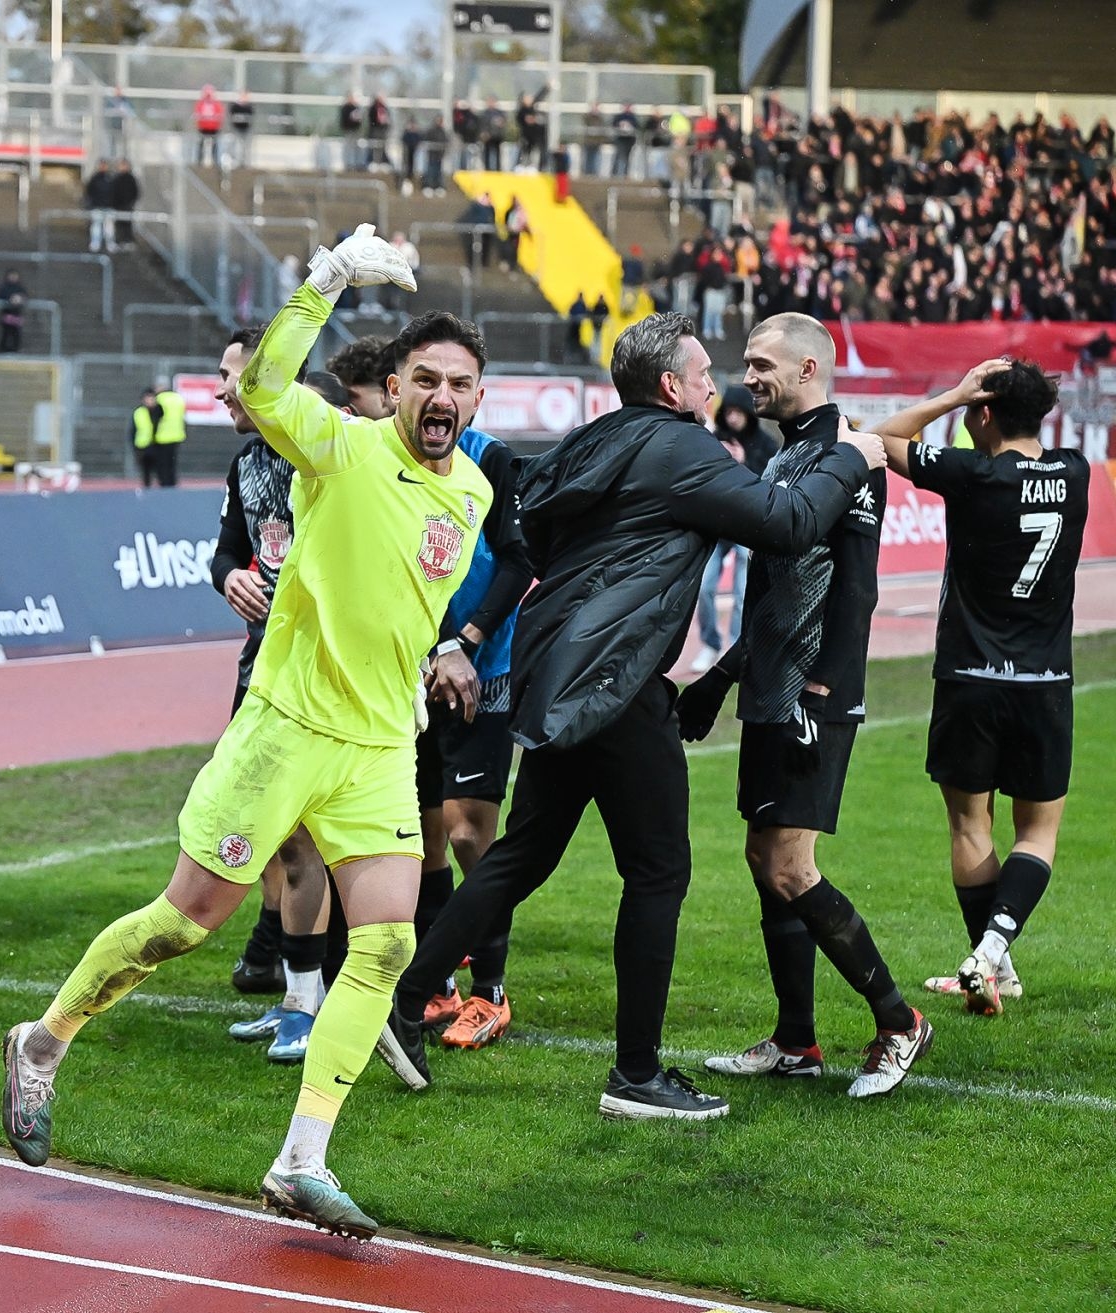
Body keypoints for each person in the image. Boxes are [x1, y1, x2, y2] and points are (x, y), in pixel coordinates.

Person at [0, 225, 492, 1242]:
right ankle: (43, 1040)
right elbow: (266, 388)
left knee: (389, 941)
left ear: (477, 400)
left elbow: (402, 599)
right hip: (284, 728)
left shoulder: (475, 491)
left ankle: (300, 1157)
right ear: (395, 387)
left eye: (461, 383)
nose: (443, 396)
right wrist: (321, 284)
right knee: (188, 921)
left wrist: (430, 662)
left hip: (375, 751)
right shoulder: (339, 446)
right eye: (426, 378)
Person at [376, 311, 890, 1121]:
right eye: (704, 373)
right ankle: (637, 1075)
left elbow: (528, 524)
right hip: (618, 683)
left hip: (554, 674)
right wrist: (850, 460)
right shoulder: (681, 445)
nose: (716, 386)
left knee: (522, 854)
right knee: (658, 872)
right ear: (670, 386)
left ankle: (403, 1004)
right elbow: (787, 523)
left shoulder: (592, 438)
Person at [677, 314, 930, 1098]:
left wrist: (824, 689)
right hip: (768, 686)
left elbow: (854, 590)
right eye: (746, 364)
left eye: (761, 364)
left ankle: (898, 1019)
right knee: (763, 861)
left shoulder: (852, 453)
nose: (748, 377)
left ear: (809, 366)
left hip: (812, 692)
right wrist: (721, 679)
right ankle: (796, 1040)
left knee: (791, 864)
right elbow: (778, 596)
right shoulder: (788, 456)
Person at [869, 359, 1086, 1016]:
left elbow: (878, 440)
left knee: (970, 823)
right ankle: (994, 956)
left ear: (984, 413)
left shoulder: (972, 474)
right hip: (1044, 680)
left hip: (968, 678)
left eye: (972, 410)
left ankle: (990, 959)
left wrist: (950, 394)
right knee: (1038, 833)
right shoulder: (1075, 473)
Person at [211, 329, 332, 1061]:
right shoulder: (247, 461)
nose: (220, 388)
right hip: (260, 666)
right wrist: (229, 576)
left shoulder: (321, 450)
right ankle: (294, 989)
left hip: (317, 675)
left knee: (304, 839)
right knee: (266, 832)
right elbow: (230, 544)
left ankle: (308, 1003)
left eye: (231, 375)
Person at [411, 414, 533, 1049]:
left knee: (467, 833)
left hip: (485, 671)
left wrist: (466, 638)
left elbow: (517, 563)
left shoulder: (492, 458)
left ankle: (490, 988)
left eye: (460, 385)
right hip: (411, 675)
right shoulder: (383, 458)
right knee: (425, 837)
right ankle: (439, 986)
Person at [693, 384, 776, 670]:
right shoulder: (714, 440)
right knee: (704, 588)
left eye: (739, 412)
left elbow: (768, 485)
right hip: (717, 527)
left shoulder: (764, 444)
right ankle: (710, 643)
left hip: (747, 529)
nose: (733, 418)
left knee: (743, 591)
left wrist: (742, 462)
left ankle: (735, 647)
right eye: (729, 412)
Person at [129, 381, 185, 488]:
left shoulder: (160, 399)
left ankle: (164, 487)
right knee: (171, 466)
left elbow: (156, 417)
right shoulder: (178, 398)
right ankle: (172, 487)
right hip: (176, 436)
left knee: (162, 468)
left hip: (161, 438)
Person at [192, 84, 223, 168]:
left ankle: (215, 162)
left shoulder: (216, 104)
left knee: (215, 145)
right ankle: (199, 162)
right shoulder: (200, 103)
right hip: (203, 127)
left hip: (214, 128)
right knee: (201, 144)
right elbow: (197, 114)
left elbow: (219, 114)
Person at [228, 90, 254, 168]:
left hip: (246, 129)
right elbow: (232, 115)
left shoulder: (249, 107)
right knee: (235, 145)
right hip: (236, 129)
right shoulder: (235, 106)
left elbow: (251, 116)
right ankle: (234, 161)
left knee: (245, 147)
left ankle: (244, 163)